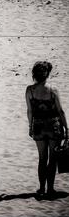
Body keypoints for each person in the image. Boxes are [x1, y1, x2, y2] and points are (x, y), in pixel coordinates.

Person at [26, 61, 68, 197]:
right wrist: (67, 128)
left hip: (38, 126)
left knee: (42, 158)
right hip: (53, 126)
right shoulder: (53, 90)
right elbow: (60, 111)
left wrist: (30, 126)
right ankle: (50, 189)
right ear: (47, 74)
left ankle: (42, 188)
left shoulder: (30, 90)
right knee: (53, 159)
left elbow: (29, 111)